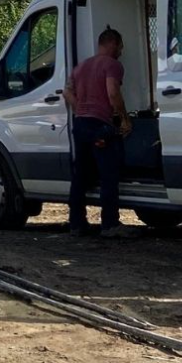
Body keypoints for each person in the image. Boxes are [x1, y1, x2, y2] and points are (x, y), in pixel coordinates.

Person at [65, 26, 133, 237]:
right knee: (108, 175)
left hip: (80, 125)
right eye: (120, 46)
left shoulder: (81, 67)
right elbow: (112, 93)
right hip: (100, 126)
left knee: (80, 175)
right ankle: (110, 224)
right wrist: (124, 119)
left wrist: (80, 108)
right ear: (112, 43)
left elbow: (66, 92)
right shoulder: (113, 65)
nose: (121, 51)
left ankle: (76, 223)